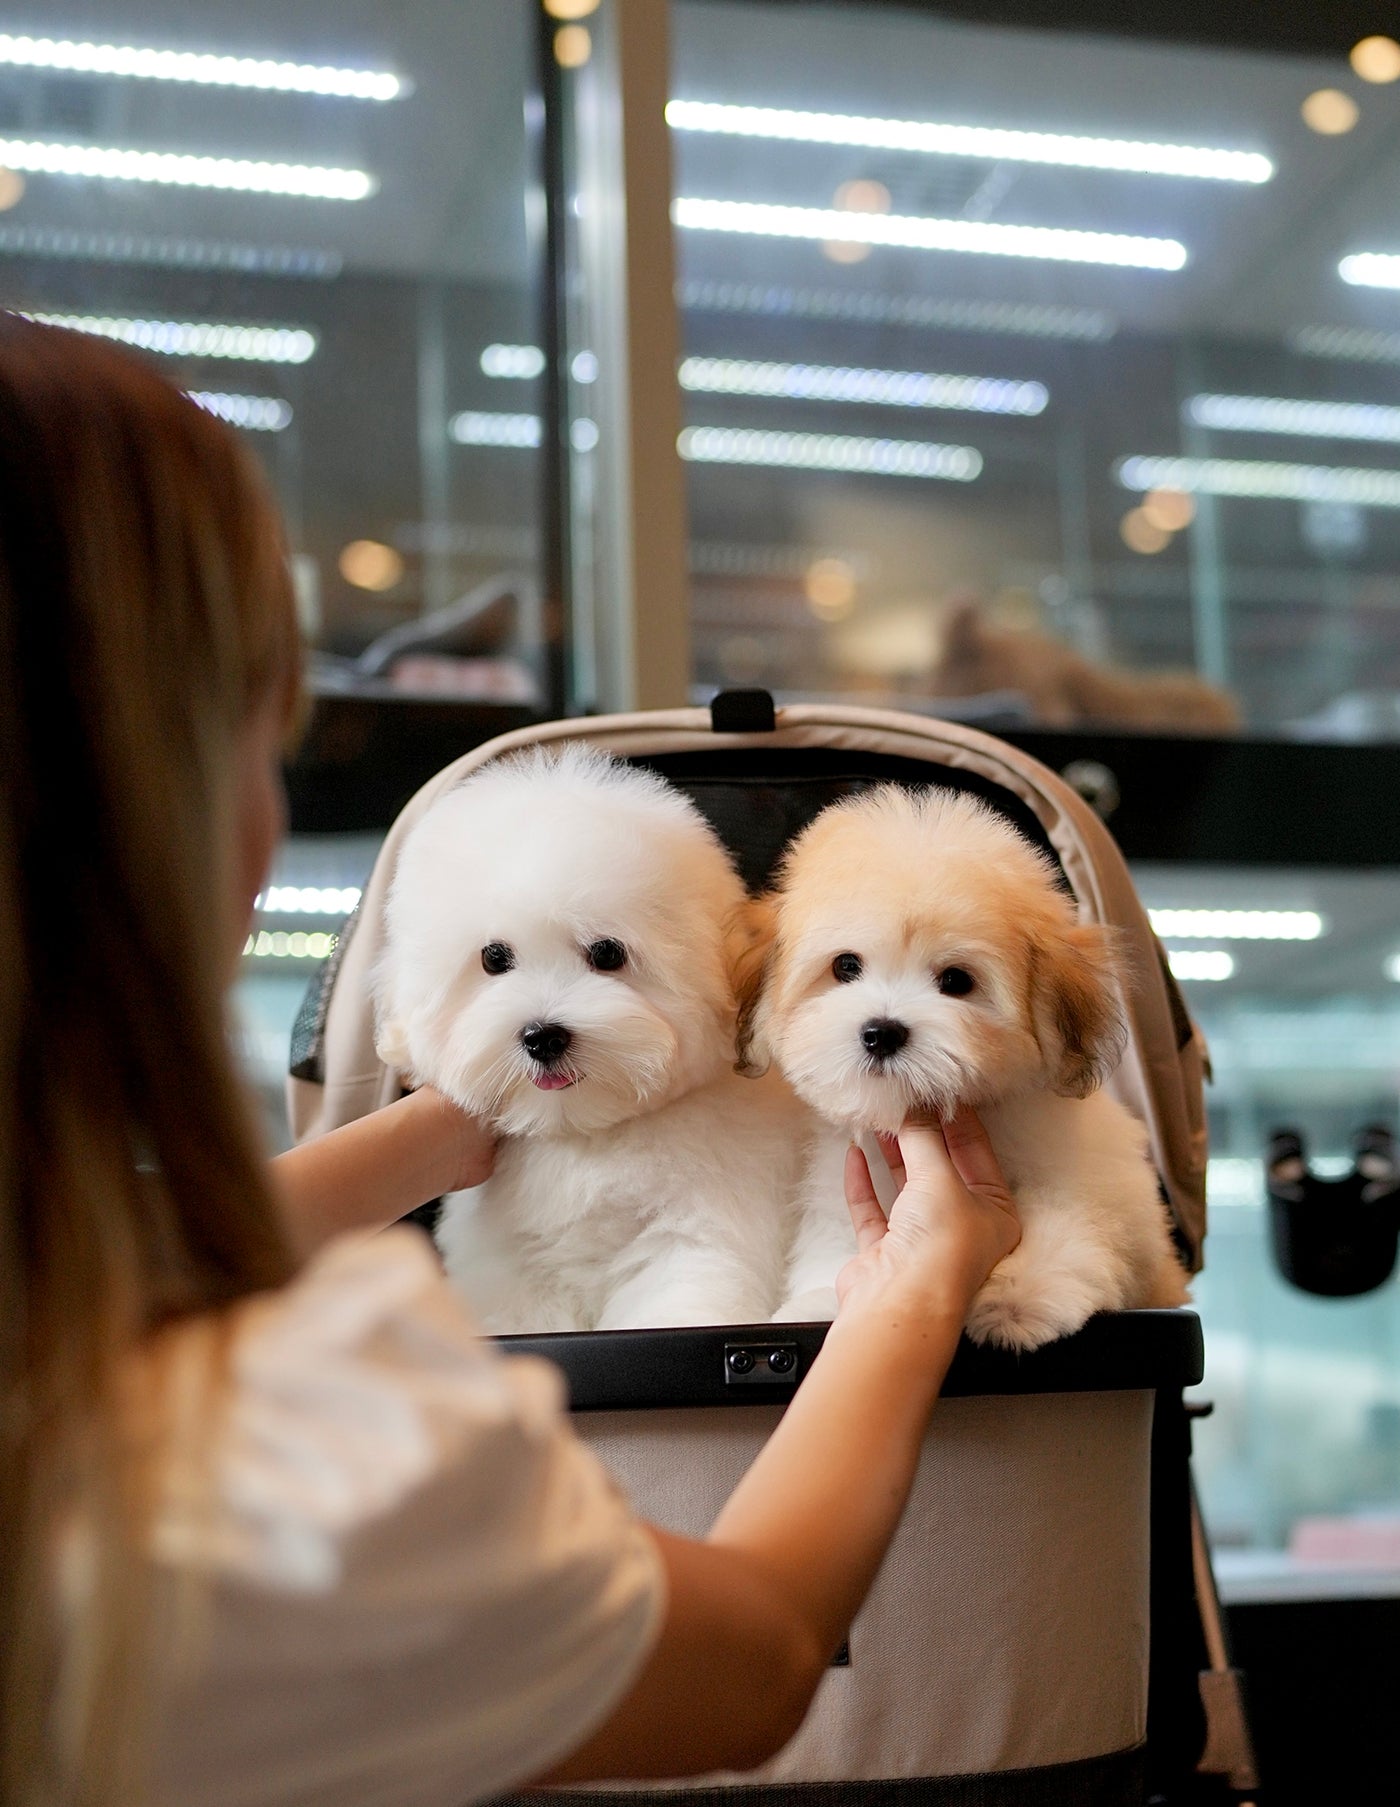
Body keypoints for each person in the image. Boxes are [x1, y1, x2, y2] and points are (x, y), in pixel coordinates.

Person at [0, 318, 1021, 1807]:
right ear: (149, 788)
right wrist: (915, 1288)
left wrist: (433, 1129)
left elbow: (113, 1265)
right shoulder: (288, 1462)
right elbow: (755, 1664)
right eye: (263, 738)